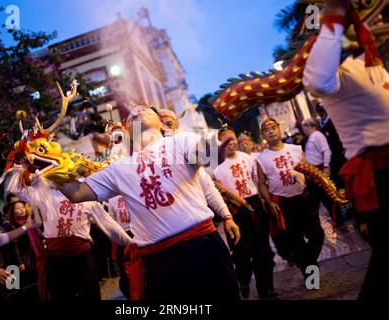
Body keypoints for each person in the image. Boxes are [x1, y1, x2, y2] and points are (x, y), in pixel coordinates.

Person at [59, 105, 241, 300]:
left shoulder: (180, 142)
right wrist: (49, 169)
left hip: (203, 247)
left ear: (161, 125)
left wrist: (215, 152)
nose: (136, 111)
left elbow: (206, 154)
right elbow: (77, 194)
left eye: (144, 110)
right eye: (130, 114)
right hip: (158, 260)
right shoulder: (118, 168)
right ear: (127, 131)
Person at [303, 0, 389, 299]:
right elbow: (315, 80)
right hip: (379, 176)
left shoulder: (373, 66)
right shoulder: (339, 73)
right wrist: (335, 16)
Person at [5, 167, 132, 300]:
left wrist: (130, 243)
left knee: (91, 296)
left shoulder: (86, 197)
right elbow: (16, 189)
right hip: (57, 260)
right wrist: (19, 168)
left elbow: (109, 224)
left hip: (83, 257)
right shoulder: (44, 195)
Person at [256, 119, 325, 279]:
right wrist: (268, 201)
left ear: (279, 129)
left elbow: (308, 171)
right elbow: (261, 183)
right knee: (296, 242)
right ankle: (311, 278)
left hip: (304, 198)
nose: (271, 131)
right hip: (284, 204)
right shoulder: (261, 158)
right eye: (267, 130)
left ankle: (308, 262)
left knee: (317, 235)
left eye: (273, 128)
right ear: (263, 135)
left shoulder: (295, 149)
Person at [214, 128, 276, 300]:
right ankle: (244, 281)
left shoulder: (248, 158)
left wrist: (266, 201)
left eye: (233, 139)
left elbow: (257, 181)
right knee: (241, 253)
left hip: (255, 205)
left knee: (262, 250)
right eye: (226, 139)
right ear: (220, 143)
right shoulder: (215, 167)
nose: (231, 142)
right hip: (233, 211)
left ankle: (267, 290)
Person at [301, 119, 341, 226]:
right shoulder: (311, 138)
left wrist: (326, 166)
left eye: (303, 127)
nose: (302, 130)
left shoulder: (318, 135)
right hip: (313, 171)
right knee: (319, 197)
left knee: (328, 196)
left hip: (320, 169)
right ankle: (333, 220)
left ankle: (338, 220)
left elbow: (326, 151)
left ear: (307, 126)